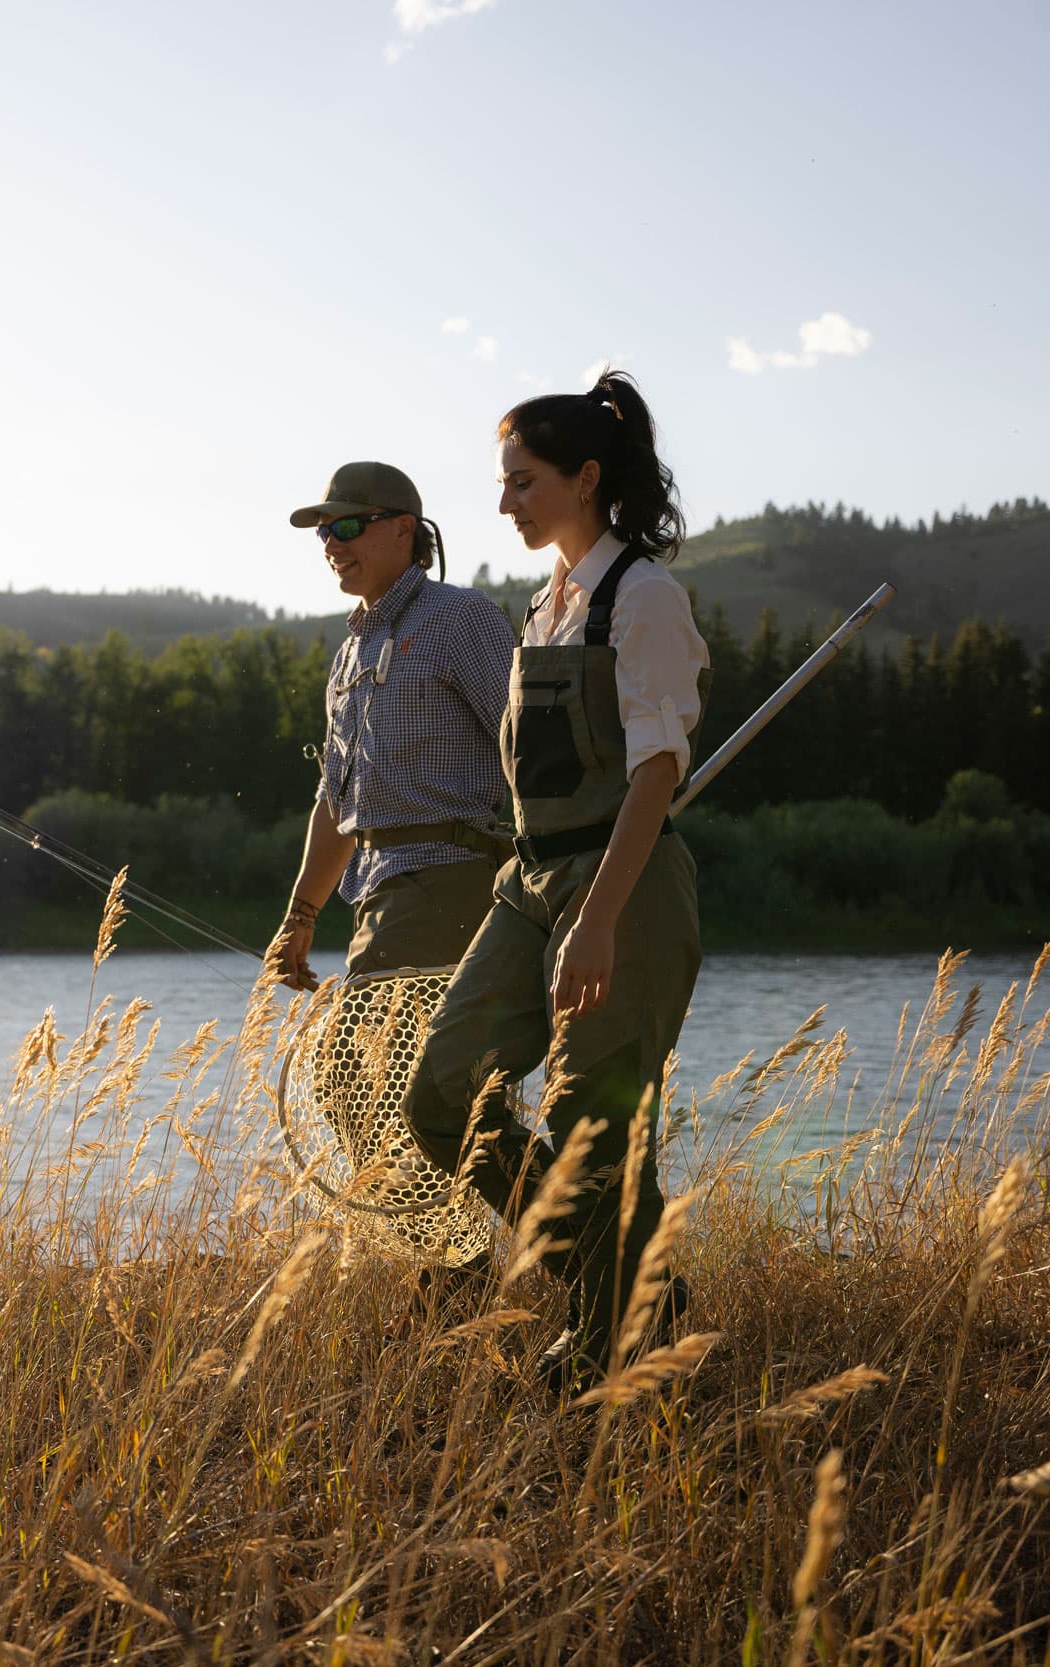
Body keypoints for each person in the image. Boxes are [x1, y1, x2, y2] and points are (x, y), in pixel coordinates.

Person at [395, 372, 710, 1390]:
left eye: (522, 481)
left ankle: (622, 1331)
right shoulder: (543, 605)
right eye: (503, 482)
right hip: (530, 881)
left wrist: (598, 920)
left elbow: (655, 774)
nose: (503, 503)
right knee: (443, 1091)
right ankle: (628, 1293)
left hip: (623, 885)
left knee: (591, 1124)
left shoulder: (644, 597)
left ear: (585, 477)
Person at [268, 462, 515, 994]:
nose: (333, 544)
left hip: (445, 879)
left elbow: (529, 750)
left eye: (348, 526)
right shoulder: (348, 655)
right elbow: (335, 801)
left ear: (404, 529)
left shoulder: (461, 616)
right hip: (376, 891)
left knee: (354, 1050)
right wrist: (300, 915)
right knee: (377, 1051)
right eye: (324, 532)